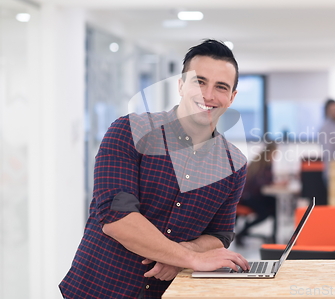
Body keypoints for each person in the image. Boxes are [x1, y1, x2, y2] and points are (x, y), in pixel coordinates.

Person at [59, 40, 250, 299]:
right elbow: (116, 219)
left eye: (221, 87)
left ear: (231, 97)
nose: (208, 95)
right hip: (100, 290)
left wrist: (183, 253)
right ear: (181, 85)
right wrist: (190, 258)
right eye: (199, 81)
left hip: (169, 293)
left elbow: (220, 234)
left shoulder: (233, 164)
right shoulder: (129, 131)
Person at [236, 142, 278, 245]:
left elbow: (266, 182)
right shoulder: (260, 164)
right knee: (265, 212)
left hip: (255, 195)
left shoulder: (265, 163)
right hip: (247, 197)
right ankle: (243, 231)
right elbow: (259, 183)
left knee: (274, 204)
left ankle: (273, 236)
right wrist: (274, 184)